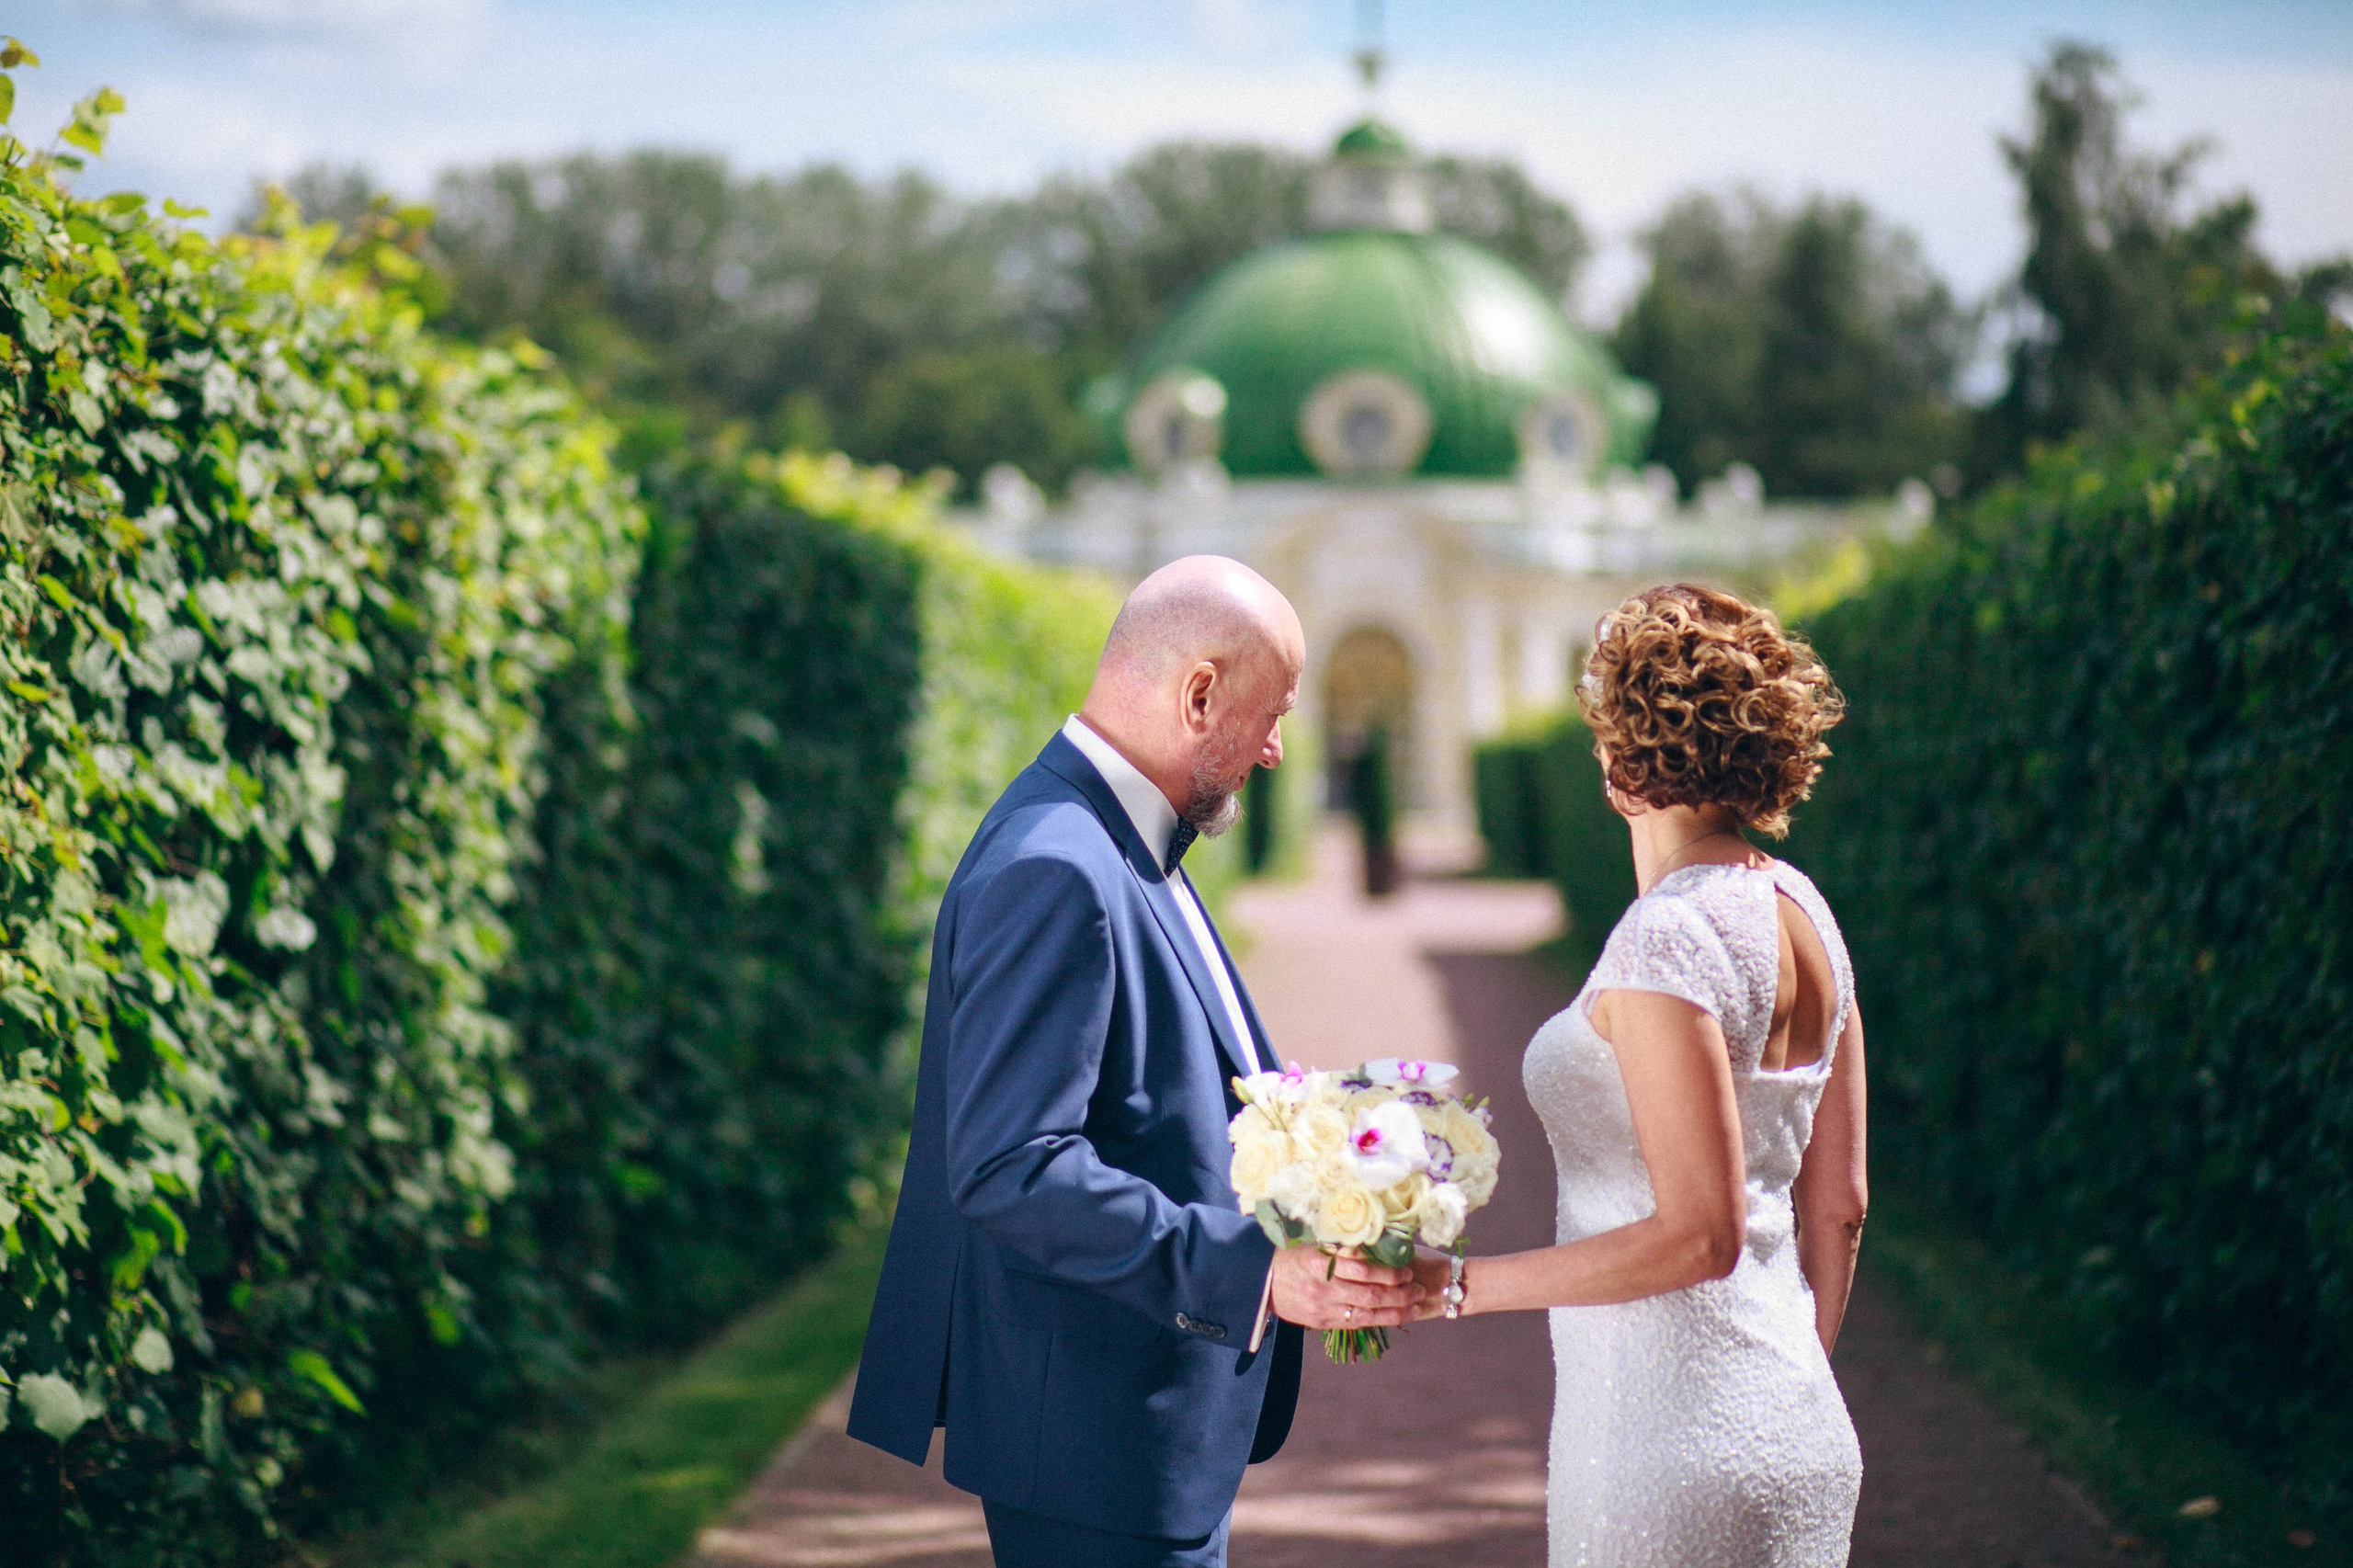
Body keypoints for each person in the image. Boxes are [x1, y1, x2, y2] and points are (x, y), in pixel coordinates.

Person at [848, 555, 1424, 1567]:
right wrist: (1255, 1267)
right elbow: (1009, 1164)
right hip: (1090, 1436)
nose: (1280, 749)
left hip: (1137, 1430)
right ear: (1199, 693)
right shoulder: (1056, 862)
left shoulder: (1118, 835)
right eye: (1271, 711)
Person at [1419, 583, 1868, 1567]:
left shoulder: (1665, 936)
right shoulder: (1806, 911)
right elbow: (1838, 1203)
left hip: (1661, 1447)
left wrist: (1455, 1286)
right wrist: (1788, 1380)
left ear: (1621, 768)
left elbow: (1699, 1233)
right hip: (1798, 1418)